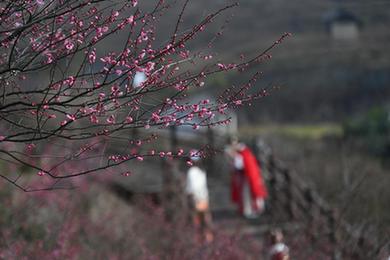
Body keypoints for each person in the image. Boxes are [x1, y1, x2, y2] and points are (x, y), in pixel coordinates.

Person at [227, 138, 268, 218]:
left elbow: (238, 165)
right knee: (250, 193)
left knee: (248, 194)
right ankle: (252, 210)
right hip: (248, 176)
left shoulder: (242, 153)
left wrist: (232, 157)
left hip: (247, 177)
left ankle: (251, 211)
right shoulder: (245, 152)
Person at [185, 153, 213, 243]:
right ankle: (207, 239)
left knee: (197, 221)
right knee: (205, 220)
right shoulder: (201, 171)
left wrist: (192, 199)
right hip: (203, 199)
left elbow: (192, 188)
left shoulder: (192, 172)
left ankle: (199, 240)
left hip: (196, 200)